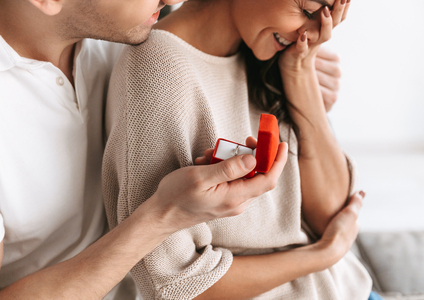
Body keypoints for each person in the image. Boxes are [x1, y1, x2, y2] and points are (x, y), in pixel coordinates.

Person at [0, 0, 344, 299]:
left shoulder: (122, 31)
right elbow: (172, 280)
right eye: (309, 10)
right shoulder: (149, 57)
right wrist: (163, 215)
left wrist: (300, 75)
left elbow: (331, 209)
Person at [103, 0, 373, 299]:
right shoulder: (158, 69)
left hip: (348, 288)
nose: (311, 35)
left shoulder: (269, 54)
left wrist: (300, 69)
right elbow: (172, 284)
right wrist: (324, 254)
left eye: (328, 19)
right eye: (309, 12)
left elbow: (331, 217)